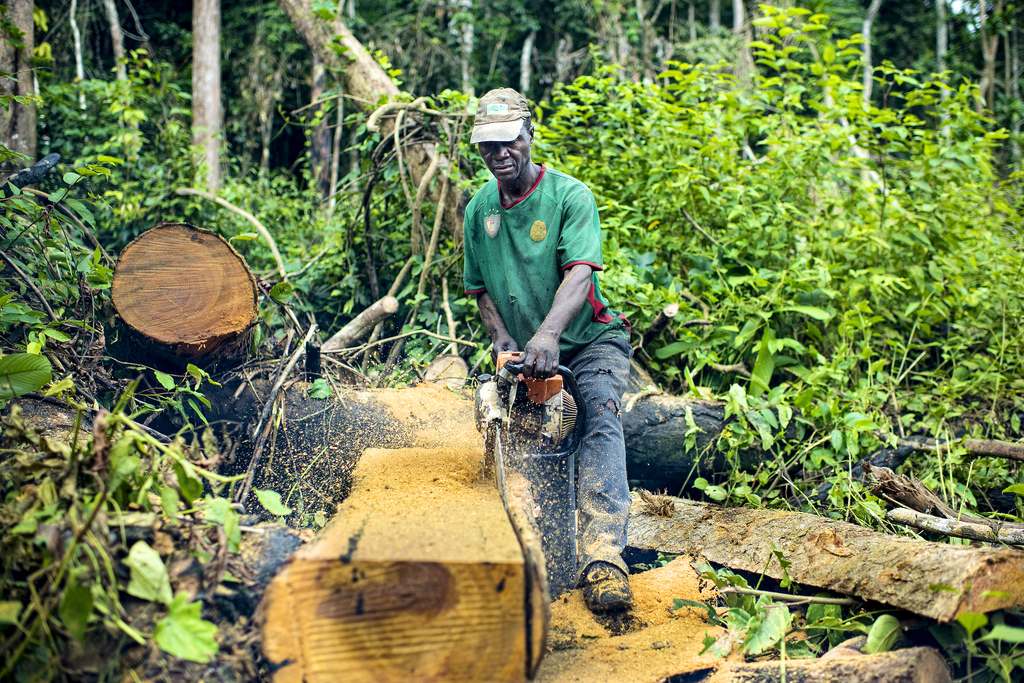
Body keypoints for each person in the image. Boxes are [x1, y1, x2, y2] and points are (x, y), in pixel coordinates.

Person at [462, 88, 634, 613]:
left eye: (509, 141)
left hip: (587, 339)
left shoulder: (568, 196)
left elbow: (580, 271)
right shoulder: (477, 211)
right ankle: (543, 554)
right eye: (488, 146)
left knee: (599, 416)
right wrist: (504, 342)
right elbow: (478, 289)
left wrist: (548, 335)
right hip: (529, 350)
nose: (500, 154)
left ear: (528, 135)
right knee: (523, 435)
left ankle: (605, 557)